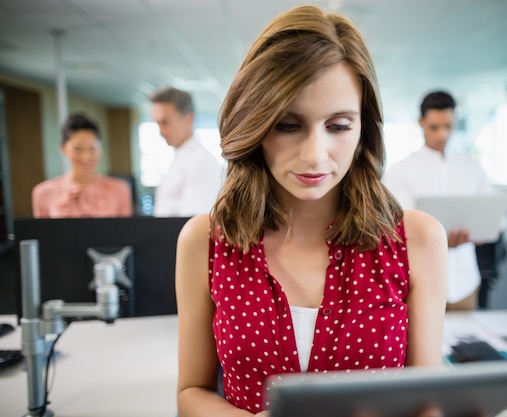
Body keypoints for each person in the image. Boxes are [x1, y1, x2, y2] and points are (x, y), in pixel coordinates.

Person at [175, 5, 448, 417]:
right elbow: (191, 391)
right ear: (256, 124)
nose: (315, 155)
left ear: (364, 130)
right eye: (288, 125)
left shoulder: (417, 240)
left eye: (338, 126)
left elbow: (425, 401)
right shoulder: (206, 241)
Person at [383, 91, 495, 310]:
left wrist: (482, 230)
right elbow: (395, 228)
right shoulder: (400, 171)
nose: (442, 134)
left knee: (466, 342)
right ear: (421, 123)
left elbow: (493, 215)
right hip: (418, 283)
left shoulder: (471, 166)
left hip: (465, 283)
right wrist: (439, 240)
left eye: (448, 126)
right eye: (434, 127)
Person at [32, 112, 132, 218]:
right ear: (63, 148)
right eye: (78, 149)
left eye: (92, 149)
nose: (86, 157)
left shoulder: (120, 190)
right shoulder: (43, 193)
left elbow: (125, 233)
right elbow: (41, 233)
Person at [149, 86, 224, 217]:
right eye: (157, 123)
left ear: (188, 119)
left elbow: (192, 221)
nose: (160, 131)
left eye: (165, 122)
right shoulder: (181, 157)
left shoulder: (199, 161)